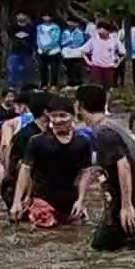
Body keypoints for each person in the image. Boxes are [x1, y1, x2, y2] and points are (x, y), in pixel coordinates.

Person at [77, 84, 135, 252]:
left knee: (124, 248)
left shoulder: (104, 132)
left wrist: (127, 206)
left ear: (79, 106)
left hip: (134, 200)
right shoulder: (112, 125)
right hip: (131, 198)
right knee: (110, 248)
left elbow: (124, 165)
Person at [12, 95, 93, 228]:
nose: (58, 120)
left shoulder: (82, 143)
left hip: (70, 201)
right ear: (48, 116)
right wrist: (17, 201)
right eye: (54, 116)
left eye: (63, 115)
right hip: (42, 200)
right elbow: (25, 170)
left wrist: (81, 200)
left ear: (72, 116)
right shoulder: (37, 141)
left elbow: (86, 172)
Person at [83, 21, 124, 88]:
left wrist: (117, 64)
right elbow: (83, 51)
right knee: (96, 86)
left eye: (102, 31)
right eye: (98, 31)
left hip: (109, 67)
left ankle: (106, 98)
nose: (100, 33)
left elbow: (123, 53)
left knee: (108, 87)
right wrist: (88, 62)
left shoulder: (114, 40)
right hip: (96, 66)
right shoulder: (93, 40)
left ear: (108, 31)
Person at [8, 12, 36, 90]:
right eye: (19, 15)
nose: (21, 16)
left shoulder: (31, 28)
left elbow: (33, 40)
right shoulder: (13, 27)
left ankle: (27, 86)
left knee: (28, 69)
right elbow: (10, 38)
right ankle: (12, 86)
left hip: (27, 52)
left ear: (26, 16)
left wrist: (33, 49)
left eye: (23, 14)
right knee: (13, 69)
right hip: (15, 52)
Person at [37, 15, 64, 87]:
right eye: (44, 16)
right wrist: (41, 47)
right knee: (42, 68)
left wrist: (49, 47)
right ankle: (43, 84)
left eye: (48, 16)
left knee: (54, 68)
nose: (46, 17)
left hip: (53, 50)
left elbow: (56, 39)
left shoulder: (55, 27)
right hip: (41, 50)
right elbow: (38, 38)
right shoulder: (39, 27)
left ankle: (53, 84)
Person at [60, 19, 87, 86]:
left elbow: (80, 42)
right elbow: (62, 41)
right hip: (67, 53)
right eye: (70, 22)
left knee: (77, 68)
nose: (71, 24)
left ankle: (78, 82)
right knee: (68, 68)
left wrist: (72, 44)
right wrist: (69, 41)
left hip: (76, 53)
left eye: (74, 22)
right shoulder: (65, 32)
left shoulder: (79, 32)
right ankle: (70, 82)